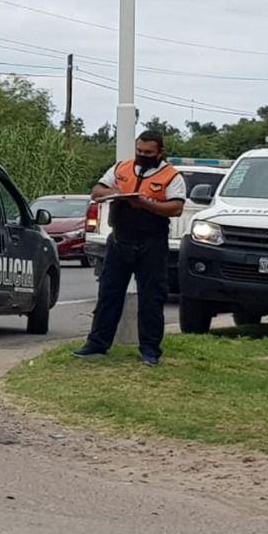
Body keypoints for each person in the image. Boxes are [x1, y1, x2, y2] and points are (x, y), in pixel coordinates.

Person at [73, 130, 185, 366]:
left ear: (160, 152)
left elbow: (175, 208)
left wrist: (144, 203)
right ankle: (97, 344)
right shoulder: (121, 168)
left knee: (151, 297)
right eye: (140, 151)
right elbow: (97, 191)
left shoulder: (171, 176)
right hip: (120, 239)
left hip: (152, 242)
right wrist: (116, 193)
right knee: (109, 293)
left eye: (148, 153)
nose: (143, 156)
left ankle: (150, 350)